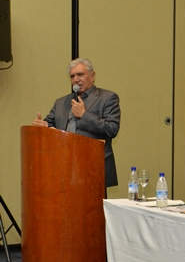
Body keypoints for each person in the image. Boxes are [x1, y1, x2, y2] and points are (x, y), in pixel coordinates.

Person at [32, 58, 121, 188]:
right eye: (72, 76)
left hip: (92, 168)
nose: (76, 79)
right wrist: (42, 127)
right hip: (63, 167)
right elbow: (49, 124)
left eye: (80, 74)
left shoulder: (107, 98)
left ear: (92, 76)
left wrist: (84, 115)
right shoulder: (61, 103)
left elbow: (112, 128)